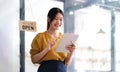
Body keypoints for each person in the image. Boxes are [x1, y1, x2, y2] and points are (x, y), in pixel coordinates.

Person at [30, 7, 75, 72]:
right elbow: (34, 60)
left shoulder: (64, 38)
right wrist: (47, 49)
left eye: (61, 19)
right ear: (49, 19)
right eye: (56, 19)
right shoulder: (40, 37)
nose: (58, 22)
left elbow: (66, 63)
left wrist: (72, 51)